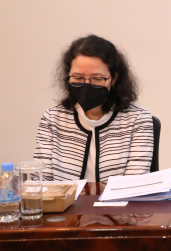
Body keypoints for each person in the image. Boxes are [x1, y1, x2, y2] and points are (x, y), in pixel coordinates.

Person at [34, 35, 154, 184]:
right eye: (78, 77)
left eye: (97, 78)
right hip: (63, 201)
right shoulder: (52, 118)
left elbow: (132, 185)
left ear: (114, 78)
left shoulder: (138, 120)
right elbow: (41, 183)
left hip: (115, 200)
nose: (86, 85)